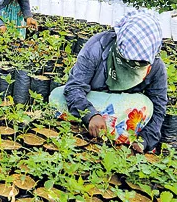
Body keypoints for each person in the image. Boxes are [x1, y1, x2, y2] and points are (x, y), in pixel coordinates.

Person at [49, 11, 168, 153]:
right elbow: (75, 86)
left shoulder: (156, 67)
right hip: (92, 100)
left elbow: (159, 107)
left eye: (140, 63)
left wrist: (144, 140)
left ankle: (119, 136)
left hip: (123, 110)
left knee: (144, 105)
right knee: (57, 96)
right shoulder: (97, 47)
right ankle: (100, 129)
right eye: (129, 60)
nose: (134, 65)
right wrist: (91, 115)